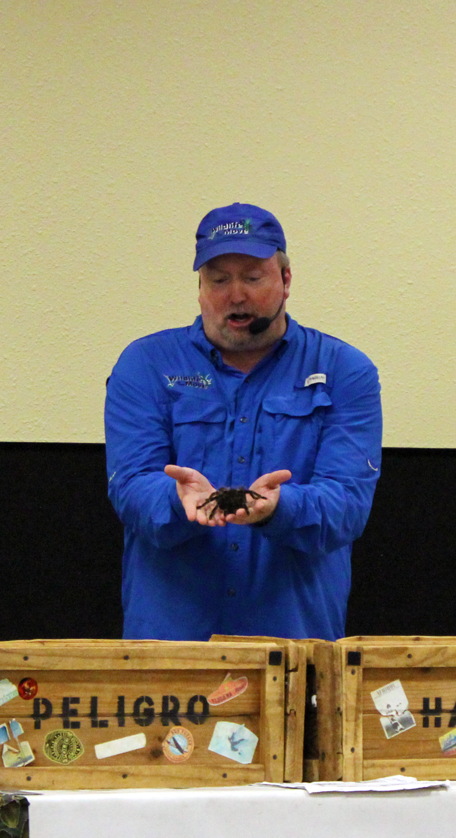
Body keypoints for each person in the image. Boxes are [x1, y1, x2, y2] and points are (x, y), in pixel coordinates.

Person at [104, 203, 382, 640]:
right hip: (172, 646)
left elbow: (346, 504)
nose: (236, 295)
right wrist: (178, 501)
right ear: (200, 288)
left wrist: (280, 509)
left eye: (252, 278)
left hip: (292, 642)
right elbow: (131, 487)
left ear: (285, 280)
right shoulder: (146, 364)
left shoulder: (345, 371)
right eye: (219, 280)